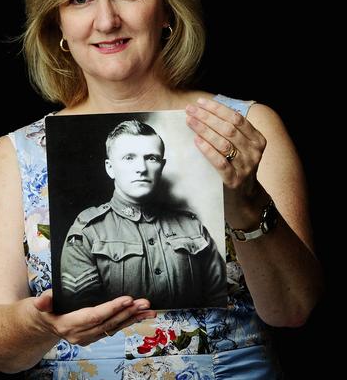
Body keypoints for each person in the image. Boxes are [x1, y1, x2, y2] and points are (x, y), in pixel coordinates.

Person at [0, 0, 323, 378]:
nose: (106, 20)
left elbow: (293, 311)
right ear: (58, 24)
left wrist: (245, 198)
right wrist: (38, 324)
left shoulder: (245, 127)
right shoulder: (16, 154)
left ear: (168, 6)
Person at [60, 119, 227, 311]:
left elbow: (220, 301)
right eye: (129, 158)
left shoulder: (192, 226)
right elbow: (82, 316)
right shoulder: (88, 231)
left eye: (151, 158)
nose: (142, 168)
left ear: (162, 166)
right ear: (110, 168)